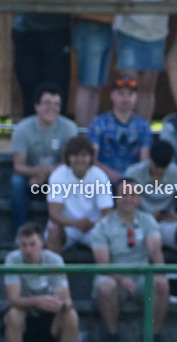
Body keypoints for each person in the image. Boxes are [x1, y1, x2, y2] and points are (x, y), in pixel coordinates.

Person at [4, 222, 86, 342]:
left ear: (42, 243)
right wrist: (37, 301)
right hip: (24, 322)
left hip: (50, 321)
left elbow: (67, 300)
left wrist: (60, 305)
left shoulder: (55, 261)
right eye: (24, 245)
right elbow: (13, 299)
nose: (28, 249)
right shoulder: (12, 260)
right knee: (13, 315)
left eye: (32, 244)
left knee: (71, 315)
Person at [89, 178, 170, 342]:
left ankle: (153, 336)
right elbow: (102, 265)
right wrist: (122, 278)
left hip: (142, 278)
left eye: (133, 195)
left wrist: (157, 261)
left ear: (139, 199)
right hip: (114, 278)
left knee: (162, 283)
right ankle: (113, 335)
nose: (128, 199)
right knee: (105, 286)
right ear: (116, 198)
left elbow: (156, 254)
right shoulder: (102, 226)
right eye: (124, 195)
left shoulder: (148, 221)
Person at [113, 0, 177, 121]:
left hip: (155, 32)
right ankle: (125, 124)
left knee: (148, 85)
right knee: (128, 83)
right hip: (129, 29)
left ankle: (144, 127)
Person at [125, 141, 177, 301]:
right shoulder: (133, 173)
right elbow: (126, 207)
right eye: (157, 165)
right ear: (149, 159)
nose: (160, 170)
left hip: (166, 224)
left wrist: (172, 217)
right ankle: (152, 286)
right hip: (140, 223)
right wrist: (148, 217)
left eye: (164, 166)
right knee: (147, 234)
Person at [70, 0, 121, 127]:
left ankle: (90, 133)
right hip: (90, 27)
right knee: (88, 85)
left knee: (96, 86)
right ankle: (83, 133)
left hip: (103, 27)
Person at [10, 83, 78, 233]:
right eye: (47, 103)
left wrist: (48, 174)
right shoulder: (23, 128)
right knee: (16, 183)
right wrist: (36, 173)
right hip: (30, 175)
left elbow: (70, 162)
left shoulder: (69, 128)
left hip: (58, 175)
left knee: (71, 182)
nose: (52, 108)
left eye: (56, 104)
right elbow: (18, 166)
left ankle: (63, 230)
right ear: (37, 106)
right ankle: (19, 233)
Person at [45, 136, 114, 254]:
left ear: (91, 158)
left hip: (94, 227)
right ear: (68, 157)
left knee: (111, 232)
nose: (80, 159)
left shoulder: (100, 176)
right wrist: (75, 224)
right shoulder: (58, 175)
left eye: (84, 155)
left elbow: (107, 213)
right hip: (67, 227)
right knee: (53, 230)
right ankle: (54, 272)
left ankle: (105, 272)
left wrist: (93, 224)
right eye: (75, 155)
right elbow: (54, 213)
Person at [87, 76, 152, 180]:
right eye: (121, 94)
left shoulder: (143, 126)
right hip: (103, 180)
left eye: (130, 94)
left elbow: (144, 161)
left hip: (134, 183)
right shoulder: (99, 123)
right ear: (112, 95)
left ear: (136, 97)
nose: (125, 98)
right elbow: (92, 159)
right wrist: (115, 177)